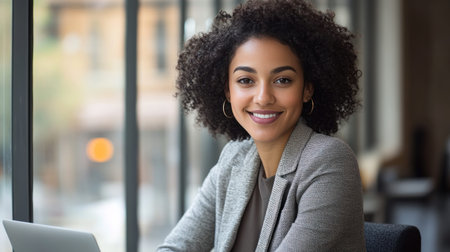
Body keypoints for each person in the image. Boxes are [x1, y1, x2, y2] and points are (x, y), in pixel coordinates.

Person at [157, 0, 365, 251]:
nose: (263, 97)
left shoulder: (328, 161)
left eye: (282, 80)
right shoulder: (233, 160)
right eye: (246, 80)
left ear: (307, 89)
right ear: (228, 91)